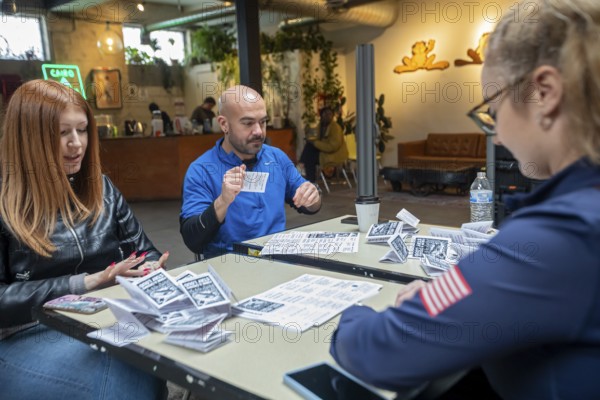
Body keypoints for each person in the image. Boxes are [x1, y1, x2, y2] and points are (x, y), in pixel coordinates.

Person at [330, 1, 600, 398]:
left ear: (545, 93)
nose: (499, 136)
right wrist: (466, 294)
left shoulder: (564, 235)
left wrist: (350, 314)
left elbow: (379, 351)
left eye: (493, 110)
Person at [0, 80, 168, 399]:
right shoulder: (4, 201)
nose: (76, 144)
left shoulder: (101, 187)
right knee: (123, 373)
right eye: (62, 133)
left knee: (147, 361)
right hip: (27, 333)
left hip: (107, 319)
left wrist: (148, 269)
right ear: (29, 139)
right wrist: (84, 284)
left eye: (82, 130)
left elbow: (144, 252)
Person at [180, 85, 321, 258]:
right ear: (224, 124)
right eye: (248, 124)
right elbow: (192, 239)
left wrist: (312, 195)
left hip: (277, 262)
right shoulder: (201, 170)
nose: (258, 132)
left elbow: (310, 207)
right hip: (230, 268)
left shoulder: (276, 158)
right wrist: (222, 202)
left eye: (263, 122)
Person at [299, 106, 348, 182]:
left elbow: (332, 147)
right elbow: (320, 141)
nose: (327, 116)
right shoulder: (321, 126)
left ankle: (308, 177)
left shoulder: (335, 128)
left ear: (332, 116)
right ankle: (306, 173)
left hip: (334, 154)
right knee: (309, 147)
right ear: (321, 116)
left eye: (329, 114)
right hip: (325, 151)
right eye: (325, 114)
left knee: (310, 158)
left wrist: (315, 143)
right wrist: (313, 142)